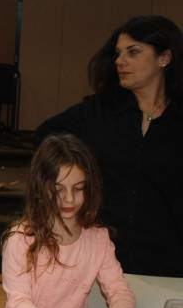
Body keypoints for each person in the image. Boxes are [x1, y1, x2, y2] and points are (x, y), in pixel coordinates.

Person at [35, 15, 183, 277]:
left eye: (133, 52)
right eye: (118, 53)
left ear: (165, 58)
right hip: (98, 262)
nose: (119, 61)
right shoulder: (97, 111)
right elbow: (45, 139)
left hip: (168, 264)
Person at [2, 134, 136, 308]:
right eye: (58, 189)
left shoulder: (98, 239)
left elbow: (120, 292)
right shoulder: (20, 239)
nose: (69, 199)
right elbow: (18, 306)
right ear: (40, 187)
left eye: (78, 188)